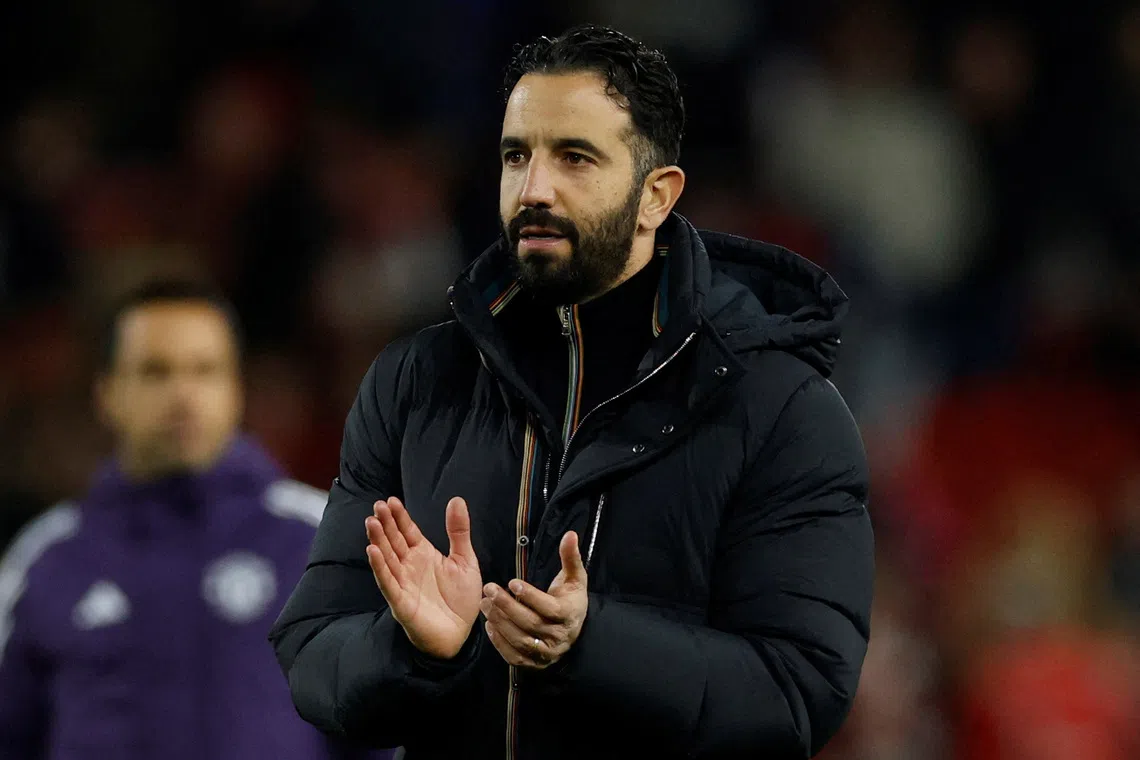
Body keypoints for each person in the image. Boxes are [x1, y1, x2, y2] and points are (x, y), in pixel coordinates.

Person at [270, 24, 874, 760]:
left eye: (574, 157)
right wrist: (415, 650)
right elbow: (311, 656)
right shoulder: (416, 381)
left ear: (657, 195)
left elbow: (800, 690)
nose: (534, 189)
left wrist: (593, 644)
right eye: (516, 155)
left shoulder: (780, 407)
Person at [0, 280, 392, 760]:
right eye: (155, 372)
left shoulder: (321, 541)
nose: (183, 395)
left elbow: (381, 736)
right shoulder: (45, 558)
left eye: (205, 371)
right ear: (106, 393)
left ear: (236, 389)